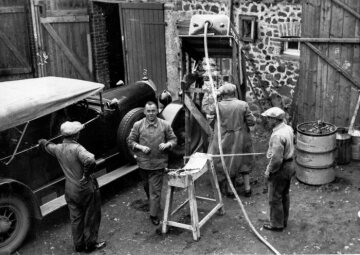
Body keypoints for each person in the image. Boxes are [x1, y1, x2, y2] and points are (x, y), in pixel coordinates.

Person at [38, 121, 106, 253]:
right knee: (91, 217)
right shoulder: (78, 149)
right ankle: (90, 244)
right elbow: (90, 160)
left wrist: (42, 142)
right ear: (75, 135)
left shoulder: (58, 148)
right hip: (85, 189)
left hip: (70, 189)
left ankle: (79, 245)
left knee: (76, 218)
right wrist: (86, 175)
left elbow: (48, 146)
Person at [127, 101, 177, 225]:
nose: (151, 113)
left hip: (158, 163)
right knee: (147, 187)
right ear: (144, 112)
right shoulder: (138, 125)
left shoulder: (164, 125)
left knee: (155, 190)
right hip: (143, 163)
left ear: (157, 111)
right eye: (148, 111)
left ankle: (153, 215)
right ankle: (153, 203)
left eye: (153, 111)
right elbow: (130, 141)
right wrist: (140, 147)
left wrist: (167, 144)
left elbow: (173, 139)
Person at [208, 82, 256, 197]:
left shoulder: (217, 105)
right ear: (234, 93)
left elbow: (209, 115)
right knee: (244, 160)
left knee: (228, 161)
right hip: (241, 138)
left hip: (225, 138)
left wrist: (214, 97)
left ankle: (230, 190)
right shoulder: (243, 104)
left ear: (223, 94)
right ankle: (247, 189)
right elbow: (251, 121)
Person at [261, 107, 295, 231]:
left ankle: (276, 224)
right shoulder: (288, 128)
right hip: (290, 164)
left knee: (275, 197)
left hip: (281, 168)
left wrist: (268, 171)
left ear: (275, 120)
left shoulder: (277, 135)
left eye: (269, 118)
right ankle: (283, 220)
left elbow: (276, 160)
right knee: (284, 194)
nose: (268, 120)